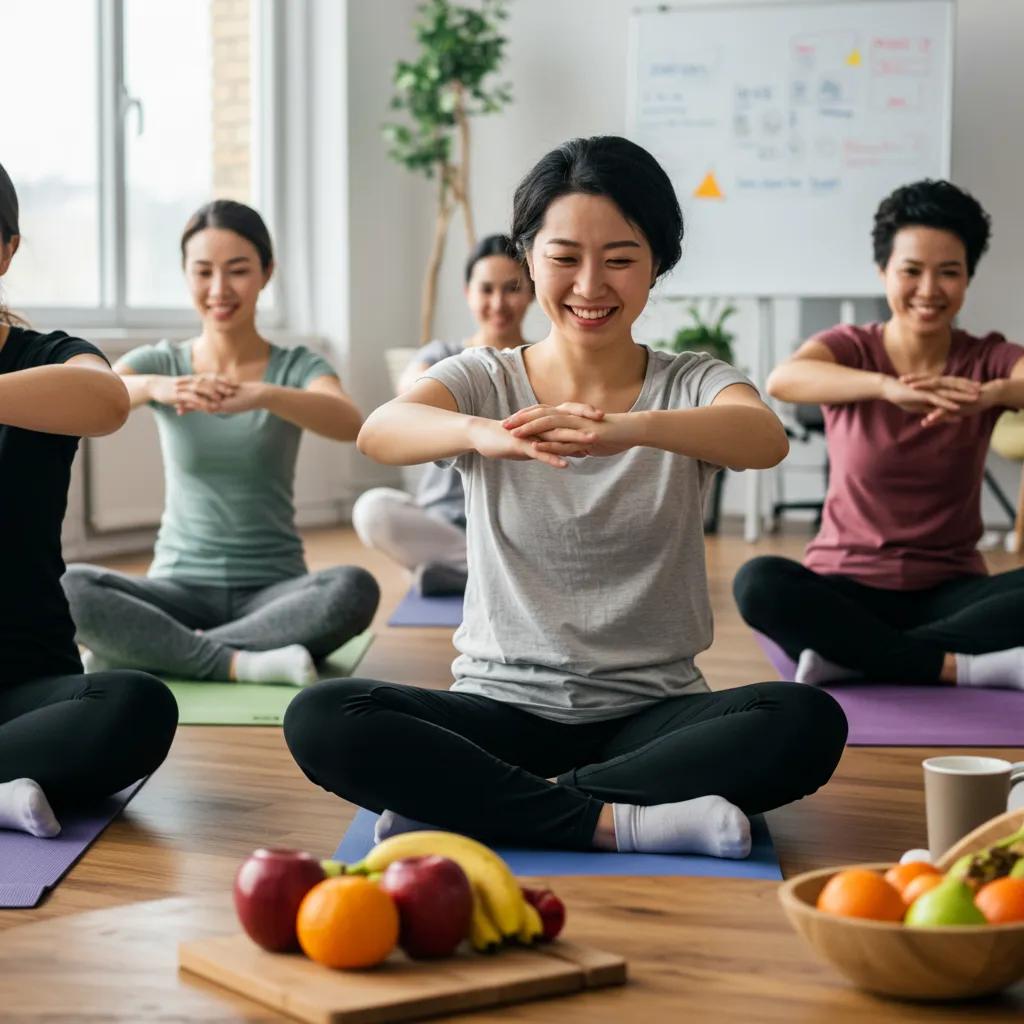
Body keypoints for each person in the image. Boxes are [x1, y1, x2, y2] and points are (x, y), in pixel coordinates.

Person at [283, 137, 847, 857]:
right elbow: (379, 431)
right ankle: (619, 818)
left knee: (804, 720)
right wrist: (485, 435)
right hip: (499, 707)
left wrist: (627, 429)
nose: (590, 285)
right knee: (323, 716)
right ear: (527, 259)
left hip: (652, 714)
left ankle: (484, 803)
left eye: (619, 258)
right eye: (564, 258)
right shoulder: (483, 377)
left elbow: (764, 436)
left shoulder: (690, 381)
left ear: (657, 265)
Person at [63, 201, 379, 687]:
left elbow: (350, 423)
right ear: (185, 275)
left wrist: (263, 395)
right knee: (71, 587)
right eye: (203, 272)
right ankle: (240, 660)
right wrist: (155, 388)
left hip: (275, 590)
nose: (219, 290)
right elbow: (87, 399)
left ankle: (157, 648)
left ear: (267, 272)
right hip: (175, 584)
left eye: (237, 271)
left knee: (353, 589)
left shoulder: (297, 365)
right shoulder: (162, 362)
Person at [734, 179, 1024, 690]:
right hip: (846, 585)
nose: (929, 290)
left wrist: (991, 395)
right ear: (883, 272)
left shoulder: (984, 357)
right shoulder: (852, 348)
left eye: (949, 273)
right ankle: (951, 664)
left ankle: (854, 652)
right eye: (911, 271)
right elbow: (783, 379)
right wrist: (887, 389)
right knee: (758, 584)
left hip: (950, 589)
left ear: (968, 278)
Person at [0, 162, 177, 838]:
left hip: (29, 694)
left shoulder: (47, 357)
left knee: (137, 705)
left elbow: (107, 402)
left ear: (8, 247)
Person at [351, 234, 533, 596]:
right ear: (468, 293)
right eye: (486, 290)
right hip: (442, 522)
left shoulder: (538, 362)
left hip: (512, 524)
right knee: (373, 510)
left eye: (511, 289)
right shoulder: (443, 355)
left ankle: (465, 573)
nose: (498, 303)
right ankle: (482, 573)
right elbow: (408, 395)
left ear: (531, 292)